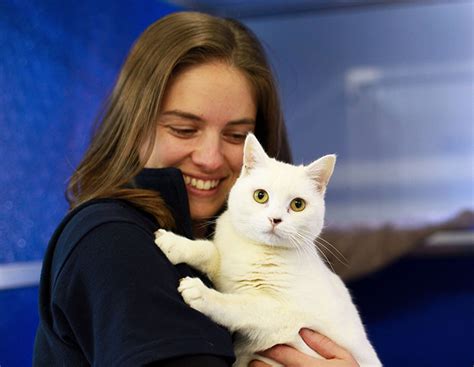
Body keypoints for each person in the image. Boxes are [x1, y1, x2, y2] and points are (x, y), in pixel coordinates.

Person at [33, 10, 470, 367]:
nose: (210, 158)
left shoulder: (216, 226)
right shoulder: (112, 241)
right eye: (184, 129)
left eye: (237, 135)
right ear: (135, 127)